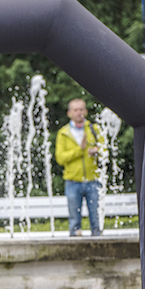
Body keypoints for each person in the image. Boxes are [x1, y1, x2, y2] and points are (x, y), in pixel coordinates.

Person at [55, 98, 102, 237]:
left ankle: (99, 244)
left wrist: (97, 151)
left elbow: (105, 150)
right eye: (75, 110)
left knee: (96, 220)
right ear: (69, 113)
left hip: (93, 180)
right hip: (73, 181)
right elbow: (60, 158)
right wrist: (80, 150)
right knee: (74, 221)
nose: (79, 112)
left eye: (81, 109)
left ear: (85, 111)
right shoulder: (63, 133)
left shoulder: (94, 129)